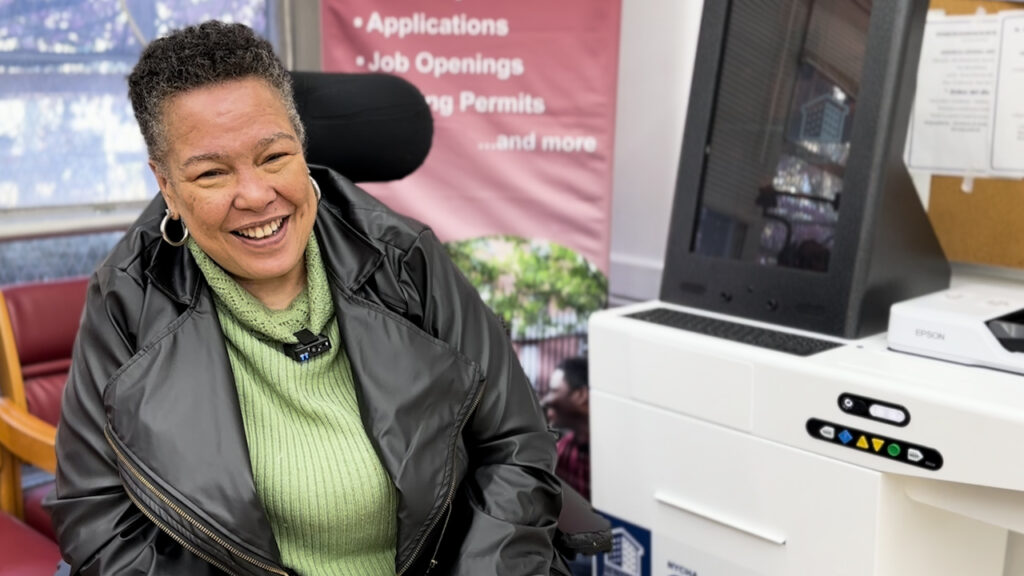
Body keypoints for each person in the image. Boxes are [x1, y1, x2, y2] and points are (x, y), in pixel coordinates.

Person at [46, 21, 569, 576]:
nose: (255, 195)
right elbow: (99, 520)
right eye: (212, 173)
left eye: (274, 158)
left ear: (301, 146)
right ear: (166, 185)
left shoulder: (404, 259)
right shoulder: (127, 301)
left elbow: (515, 442)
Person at [542, 357, 590, 503]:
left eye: (553, 391)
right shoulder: (562, 451)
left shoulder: (613, 453)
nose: (545, 400)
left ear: (581, 395)